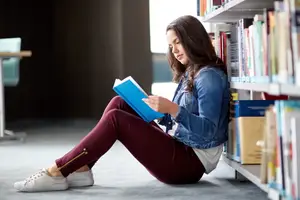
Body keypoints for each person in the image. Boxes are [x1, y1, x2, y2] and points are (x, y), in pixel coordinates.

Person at [14, 15, 231, 192]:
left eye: (178, 42)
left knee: (116, 119)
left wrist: (173, 109)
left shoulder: (208, 77)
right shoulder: (192, 72)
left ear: (193, 39)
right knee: (120, 102)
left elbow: (209, 131)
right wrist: (156, 109)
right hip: (182, 148)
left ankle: (57, 171)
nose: (173, 50)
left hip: (189, 164)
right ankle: (82, 169)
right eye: (170, 45)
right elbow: (177, 122)